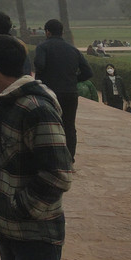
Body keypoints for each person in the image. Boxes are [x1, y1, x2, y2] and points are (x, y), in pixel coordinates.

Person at [0, 34, 73, 260]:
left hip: (34, 232)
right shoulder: (8, 102)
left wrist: (20, 208)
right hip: (12, 229)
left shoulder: (34, 107)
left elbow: (59, 174)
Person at [33, 19, 92, 160]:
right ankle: (69, 157)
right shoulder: (73, 49)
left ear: (47, 32)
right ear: (62, 32)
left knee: (48, 125)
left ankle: (50, 157)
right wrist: (73, 79)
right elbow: (88, 72)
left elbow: (39, 65)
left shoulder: (43, 47)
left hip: (49, 92)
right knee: (69, 126)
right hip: (70, 92)